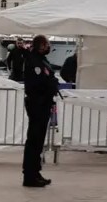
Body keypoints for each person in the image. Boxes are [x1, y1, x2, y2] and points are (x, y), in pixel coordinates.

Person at [22, 35, 59, 188]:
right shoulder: (33, 61)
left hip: (43, 105)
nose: (49, 47)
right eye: (47, 44)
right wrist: (49, 86)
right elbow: (37, 84)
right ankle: (29, 175)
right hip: (37, 105)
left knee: (38, 142)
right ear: (41, 46)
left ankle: (35, 172)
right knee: (34, 140)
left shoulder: (41, 60)